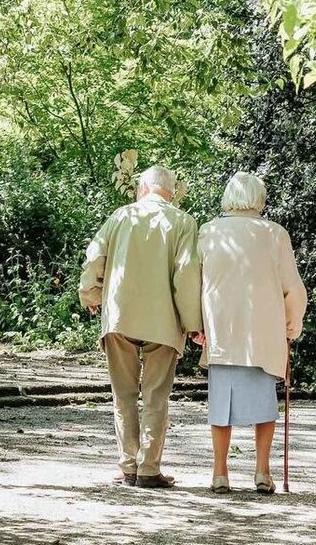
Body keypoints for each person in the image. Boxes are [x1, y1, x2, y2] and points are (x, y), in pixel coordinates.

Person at [79, 165, 202, 489]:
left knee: (123, 396)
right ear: (171, 192)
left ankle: (128, 466)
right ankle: (149, 469)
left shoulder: (120, 216)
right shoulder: (183, 222)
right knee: (156, 397)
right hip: (163, 321)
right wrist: (193, 324)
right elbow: (186, 274)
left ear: (144, 188)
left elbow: (94, 259)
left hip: (120, 317)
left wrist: (91, 294)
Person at [193, 172, 307, 494]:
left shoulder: (209, 232)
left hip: (223, 332)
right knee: (264, 405)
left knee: (220, 406)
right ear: (260, 198)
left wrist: (196, 325)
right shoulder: (275, 234)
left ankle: (219, 473)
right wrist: (291, 325)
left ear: (229, 197)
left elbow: (195, 284)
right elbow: (293, 289)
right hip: (263, 334)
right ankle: (262, 471)